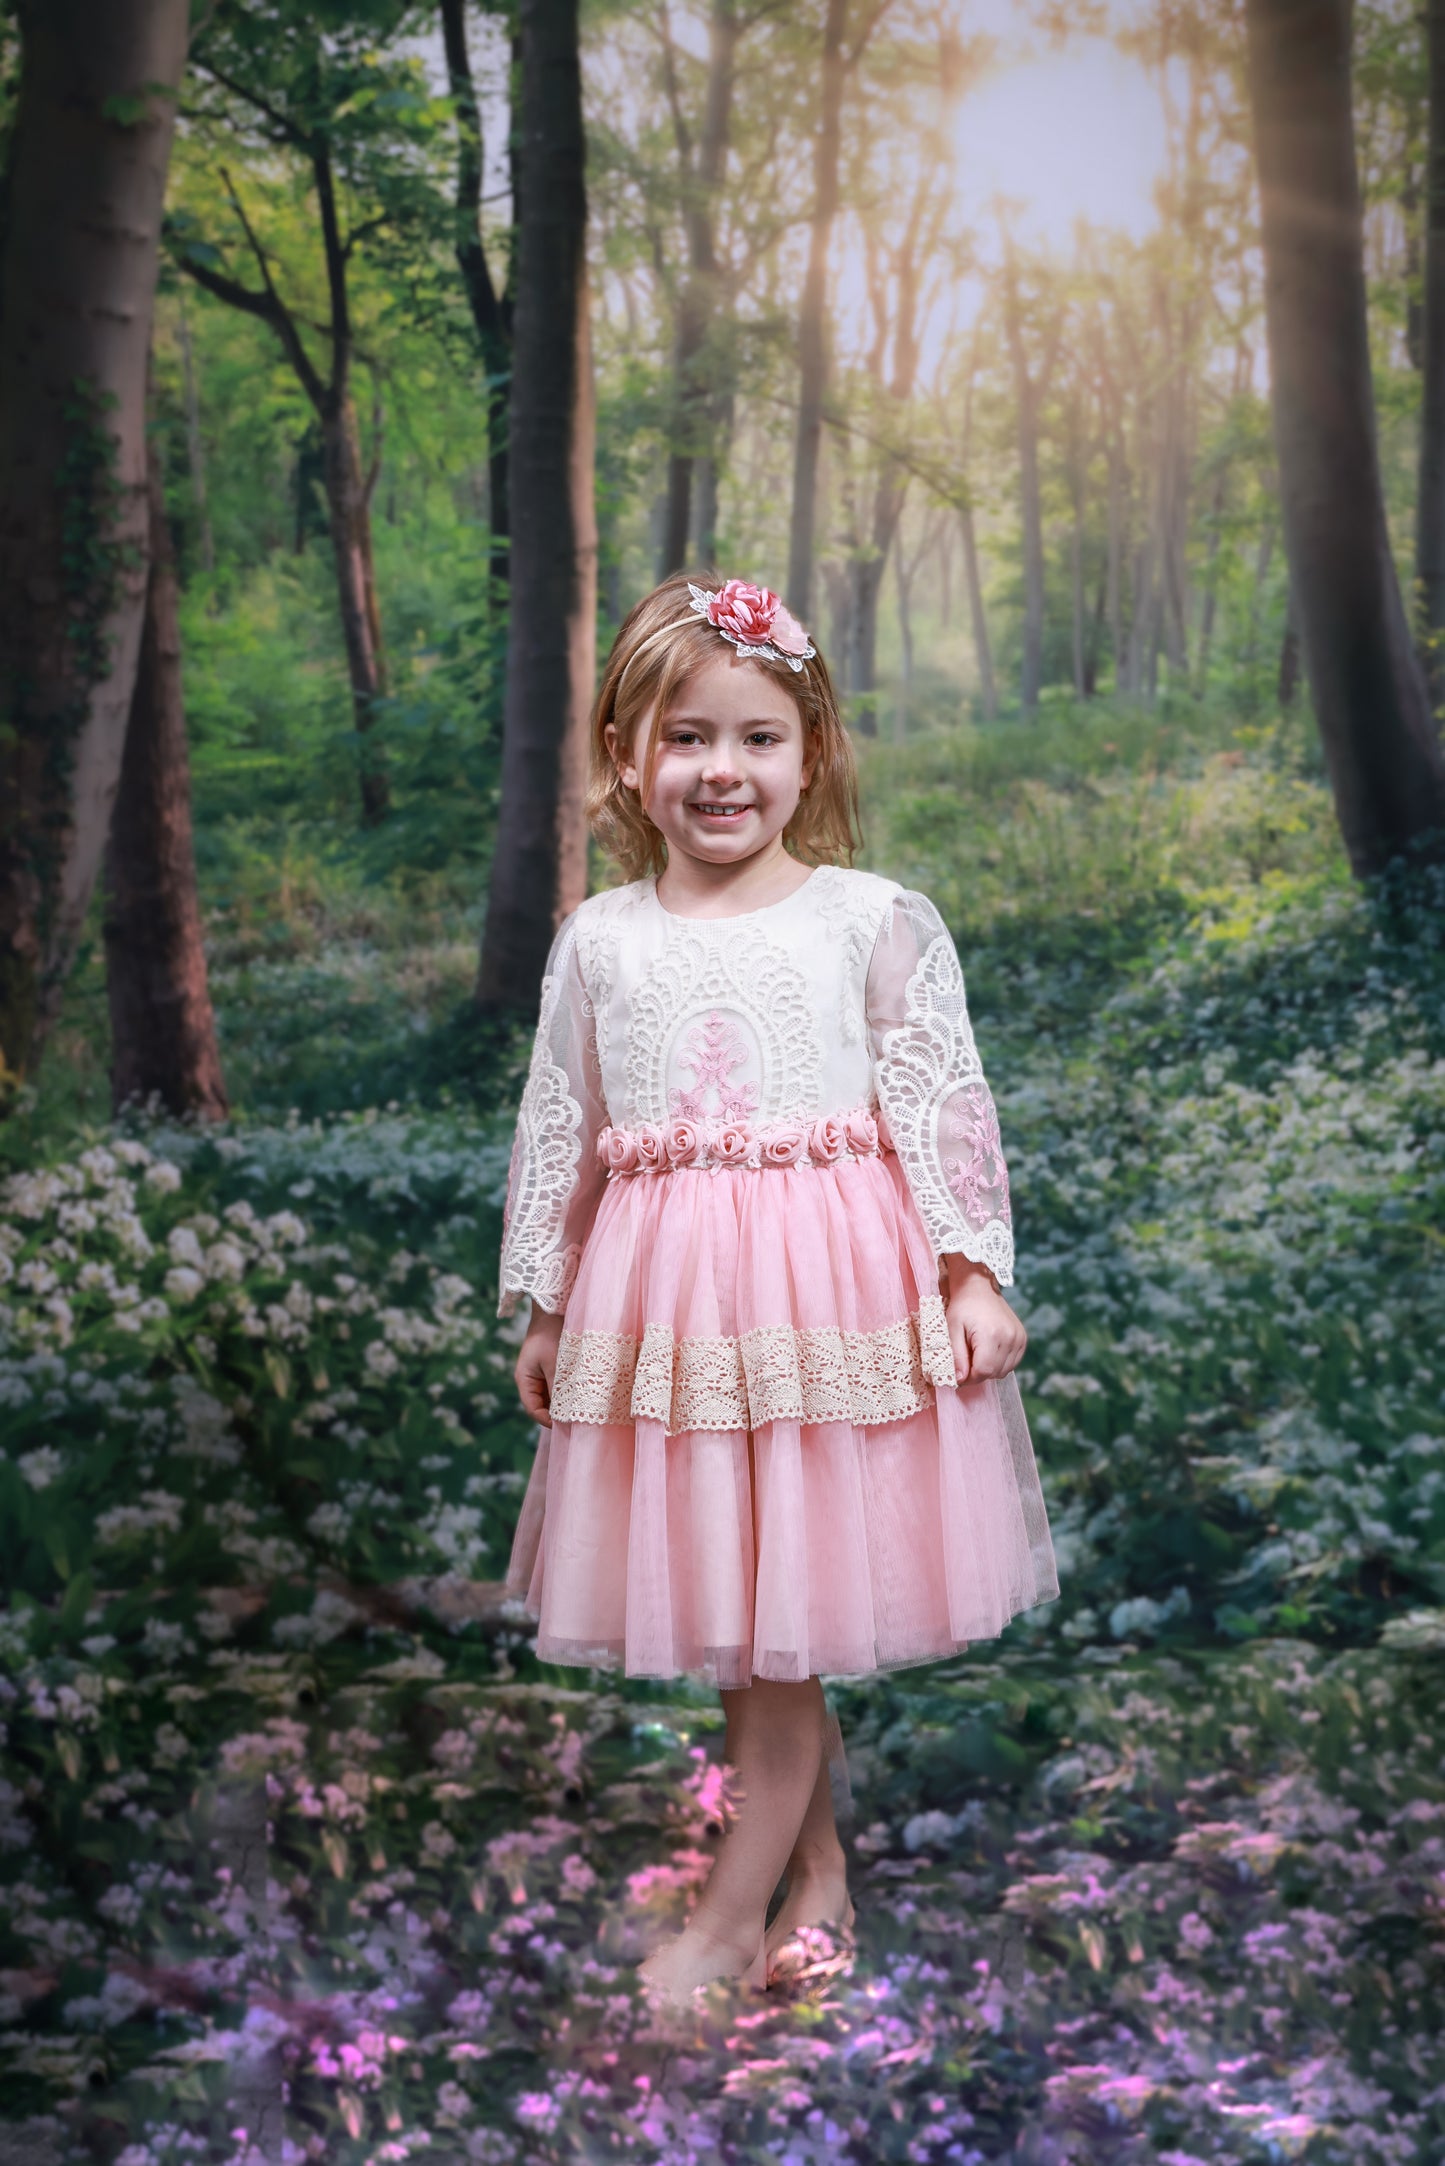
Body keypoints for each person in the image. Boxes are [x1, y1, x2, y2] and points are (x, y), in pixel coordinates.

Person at [497, 571, 1058, 2002]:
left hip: (826, 1302)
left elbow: (943, 1104)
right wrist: (549, 1301)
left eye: (758, 737)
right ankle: (818, 1879)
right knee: (752, 1618)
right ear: (625, 752)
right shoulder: (601, 937)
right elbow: (563, 1125)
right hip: (670, 1309)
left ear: (812, 752)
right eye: (686, 737)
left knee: (775, 1629)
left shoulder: (869, 918)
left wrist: (971, 1270)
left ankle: (724, 1922)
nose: (722, 770)